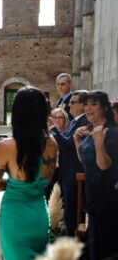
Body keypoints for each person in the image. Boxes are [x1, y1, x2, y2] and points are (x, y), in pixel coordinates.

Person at [0, 86, 58, 260]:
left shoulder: (6, 146)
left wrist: (14, 184)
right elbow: (47, 181)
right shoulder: (52, 144)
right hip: (38, 216)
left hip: (14, 217)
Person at [74, 91, 118, 260]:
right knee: (94, 244)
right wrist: (76, 140)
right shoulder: (92, 130)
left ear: (104, 107)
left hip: (106, 197)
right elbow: (86, 160)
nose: (88, 108)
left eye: (94, 104)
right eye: (86, 104)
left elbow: (104, 165)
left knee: (104, 247)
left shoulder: (111, 133)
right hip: (92, 194)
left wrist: (99, 141)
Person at [49, 90, 88, 236]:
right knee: (68, 208)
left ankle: (73, 240)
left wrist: (53, 129)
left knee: (73, 210)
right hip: (66, 171)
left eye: (72, 102)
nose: (68, 105)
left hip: (73, 172)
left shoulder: (84, 121)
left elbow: (68, 145)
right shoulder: (75, 120)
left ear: (82, 105)